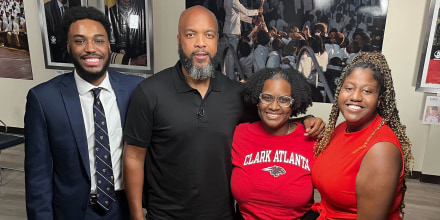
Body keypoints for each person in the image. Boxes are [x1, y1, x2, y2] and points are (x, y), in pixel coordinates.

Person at [122, 6, 325, 220]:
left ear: (217, 40)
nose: (201, 42)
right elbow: (134, 157)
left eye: (208, 35)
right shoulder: (149, 92)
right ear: (179, 39)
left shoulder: (236, 94)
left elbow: (272, 116)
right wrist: (136, 216)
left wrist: (305, 119)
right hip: (164, 216)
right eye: (191, 34)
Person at [24, 6, 143, 220]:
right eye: (80, 41)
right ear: (68, 47)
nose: (90, 48)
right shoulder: (43, 99)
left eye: (98, 40)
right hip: (75, 211)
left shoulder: (135, 89)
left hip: (126, 208)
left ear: (108, 45)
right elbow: (38, 177)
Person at [311, 52, 414, 219]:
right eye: (349, 88)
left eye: (367, 91)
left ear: (379, 100)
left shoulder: (381, 150)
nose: (355, 97)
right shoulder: (341, 128)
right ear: (340, 91)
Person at [232, 68, 316, 219]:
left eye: (284, 100)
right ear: (257, 99)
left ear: (294, 103)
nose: (274, 107)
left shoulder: (311, 137)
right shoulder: (239, 134)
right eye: (267, 97)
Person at [222, 0, 262, 80]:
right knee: (232, 56)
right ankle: (230, 79)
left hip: (228, 30)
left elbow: (238, 14)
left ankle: (227, 77)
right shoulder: (234, 1)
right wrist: (258, 11)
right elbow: (245, 11)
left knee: (228, 56)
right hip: (232, 31)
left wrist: (252, 20)